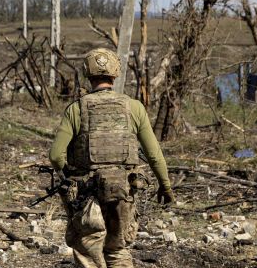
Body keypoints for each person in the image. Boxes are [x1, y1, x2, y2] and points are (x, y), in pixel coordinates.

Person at [49, 48, 174, 268]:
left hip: (86, 196)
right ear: (115, 74)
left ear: (88, 74)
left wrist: (71, 177)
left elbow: (55, 156)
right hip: (122, 193)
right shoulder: (134, 107)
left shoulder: (76, 109)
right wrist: (165, 186)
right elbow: (154, 155)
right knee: (117, 250)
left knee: (88, 252)